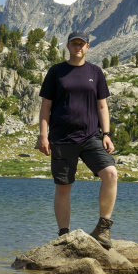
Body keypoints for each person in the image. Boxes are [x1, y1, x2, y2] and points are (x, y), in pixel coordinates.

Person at [37, 31, 118, 249]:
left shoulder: (95, 72)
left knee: (110, 173)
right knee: (64, 187)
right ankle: (64, 234)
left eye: (82, 44)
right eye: (74, 44)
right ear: (68, 46)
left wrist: (107, 134)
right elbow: (46, 106)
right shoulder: (56, 71)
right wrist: (43, 135)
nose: (78, 47)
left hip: (91, 136)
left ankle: (103, 227)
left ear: (88, 47)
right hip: (62, 138)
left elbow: (102, 105)